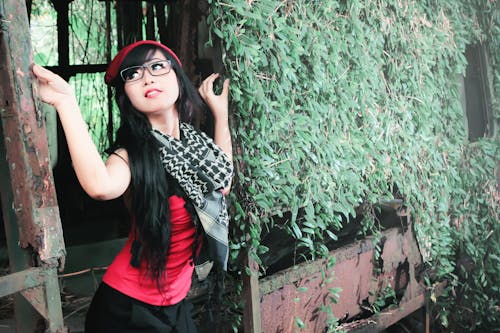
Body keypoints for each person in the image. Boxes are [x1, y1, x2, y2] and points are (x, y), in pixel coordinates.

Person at [32, 40, 233, 332]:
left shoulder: (196, 145)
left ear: (178, 75)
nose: (147, 77)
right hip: (127, 310)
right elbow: (101, 185)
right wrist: (66, 103)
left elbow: (222, 180)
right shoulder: (132, 155)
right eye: (133, 74)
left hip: (176, 304)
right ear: (127, 95)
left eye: (157, 66)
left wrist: (220, 114)